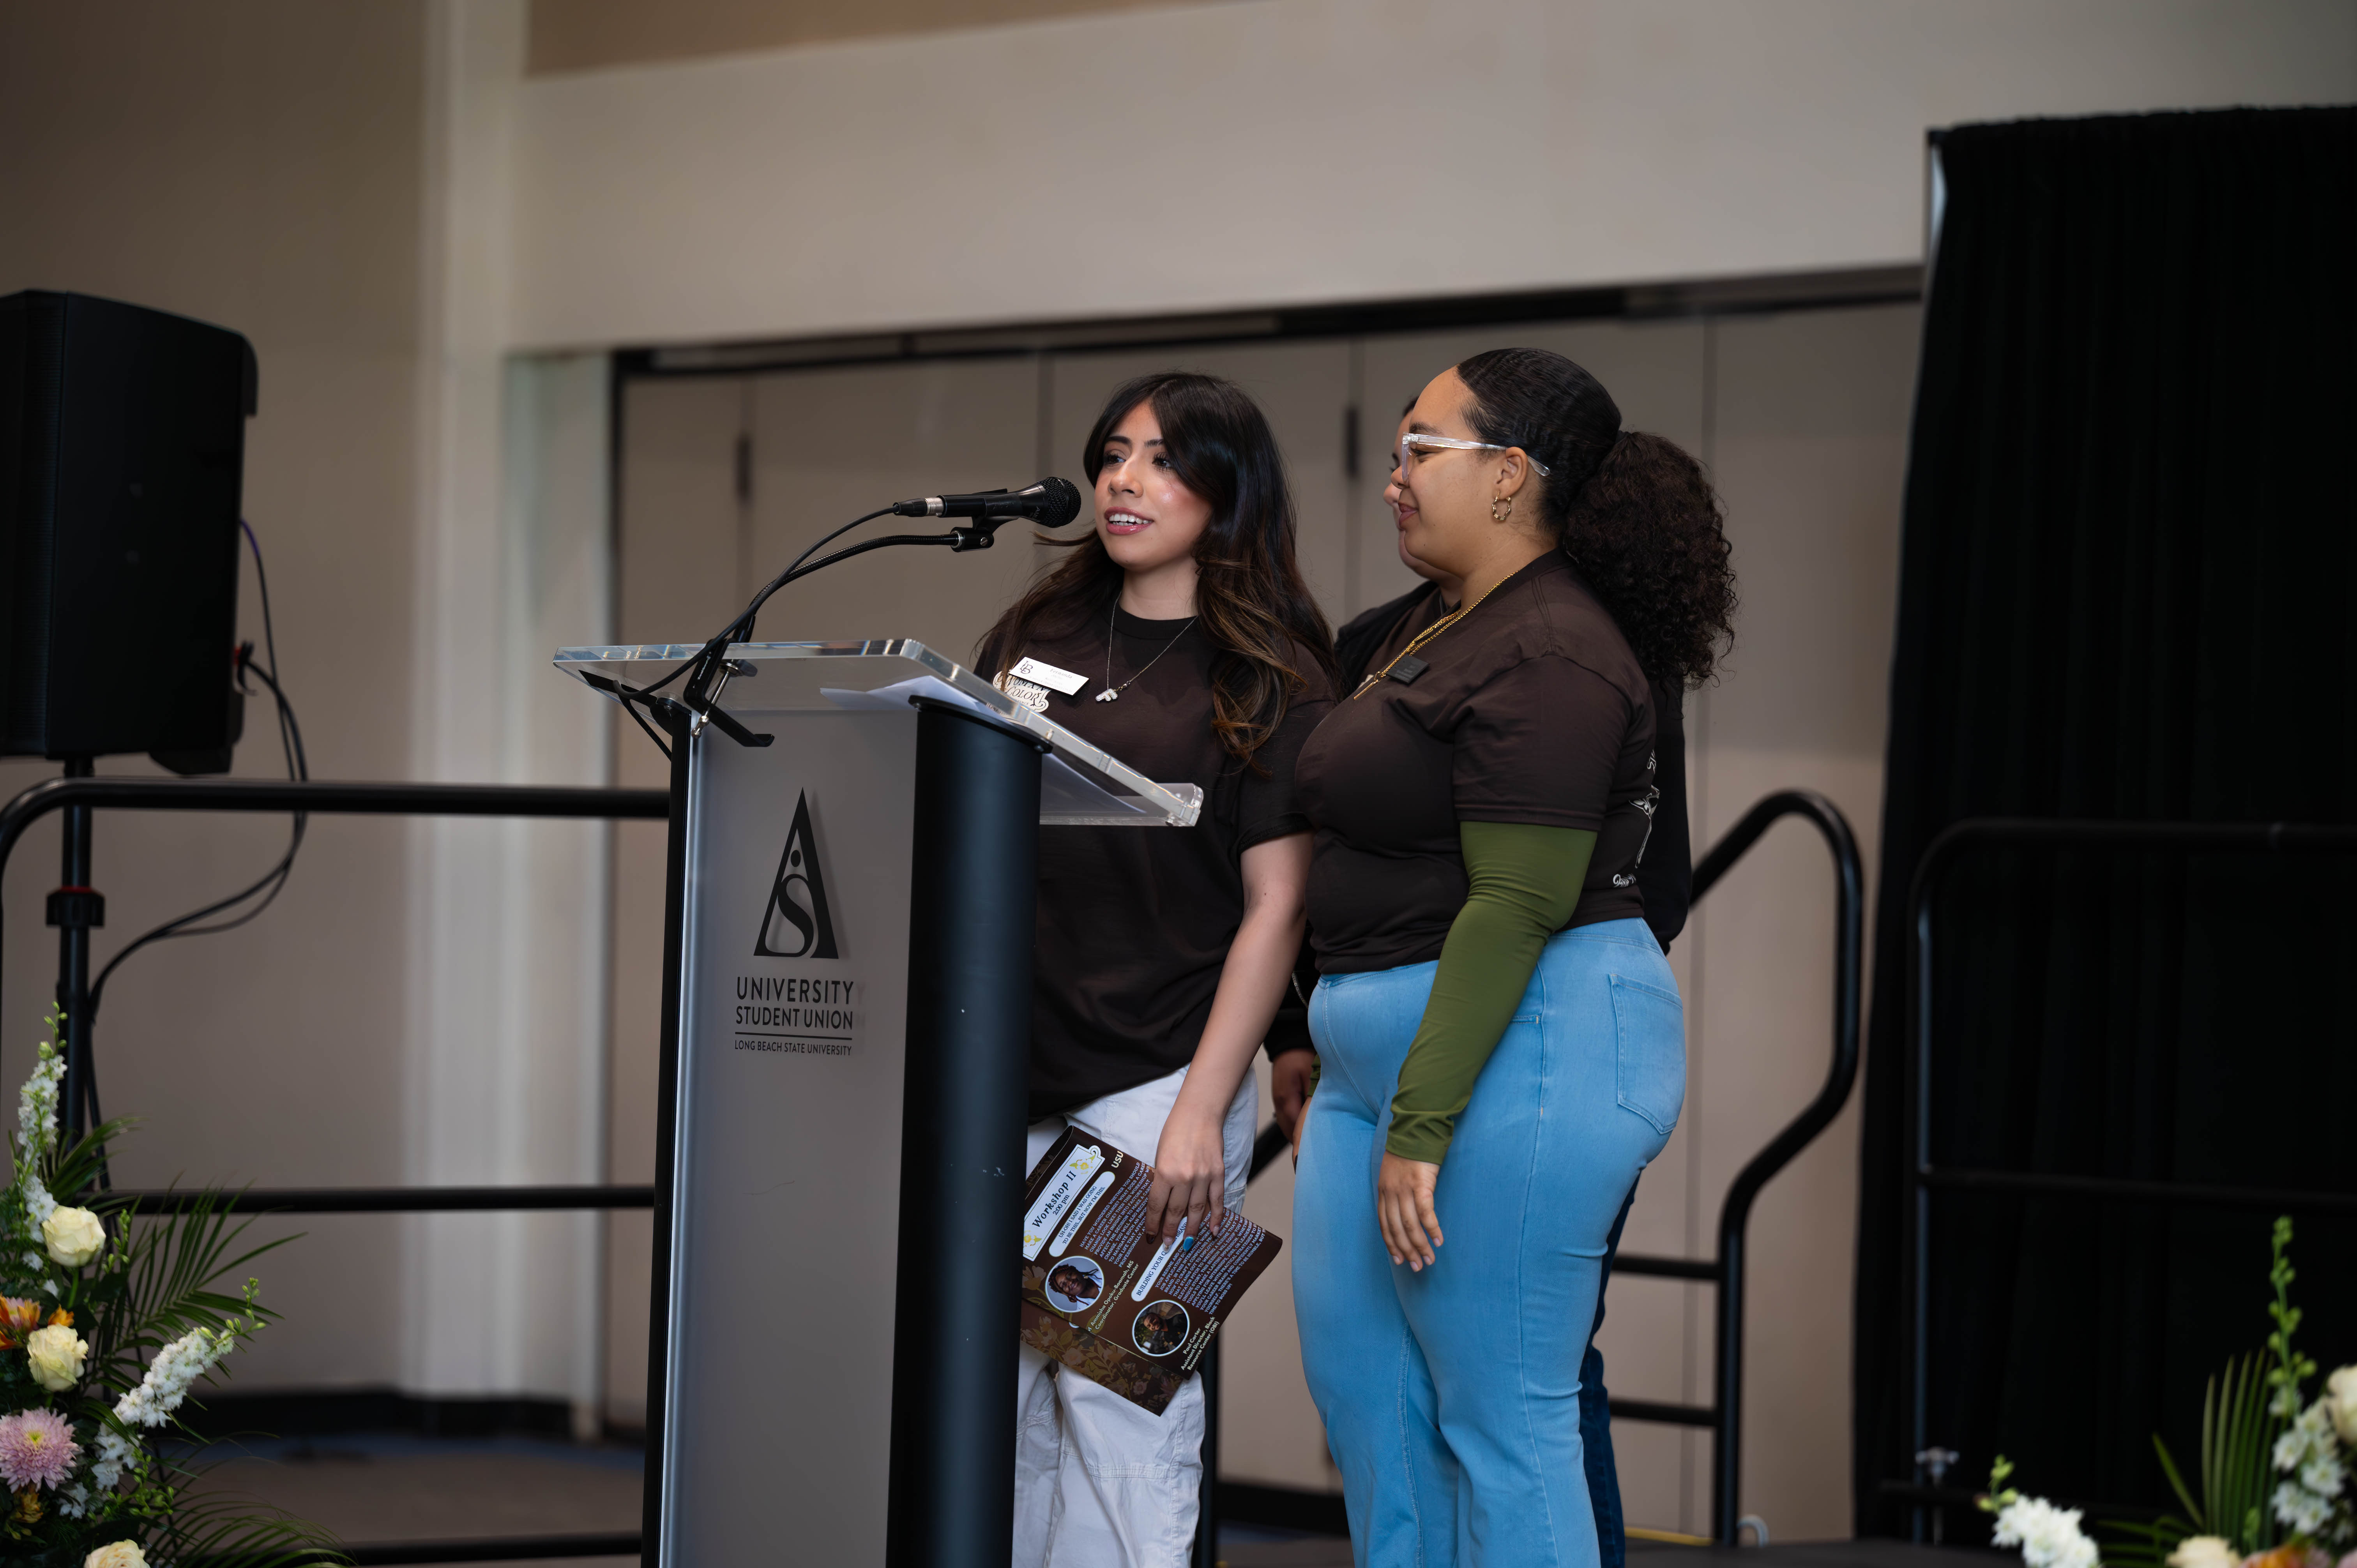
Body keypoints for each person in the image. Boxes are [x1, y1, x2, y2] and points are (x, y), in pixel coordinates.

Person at [1290, 348, 1734, 1568]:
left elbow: (1517, 906)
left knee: (1500, 1420)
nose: (1394, 477)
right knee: (1376, 1413)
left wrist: (1423, 1124)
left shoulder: (1555, 648)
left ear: (1508, 475)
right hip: (1367, 1061)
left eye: (1420, 450)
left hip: (1521, 1048)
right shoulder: (1432, 630)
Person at [977, 370, 1337, 1568]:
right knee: (1003, 1403)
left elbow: (1278, 909)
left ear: (1228, 494)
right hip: (1010, 1062)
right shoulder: (1039, 632)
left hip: (1158, 1074)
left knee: (1116, 1397)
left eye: (1165, 461)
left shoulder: (1272, 668)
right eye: (1114, 454)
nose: (1125, 482)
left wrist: (1198, 1114)